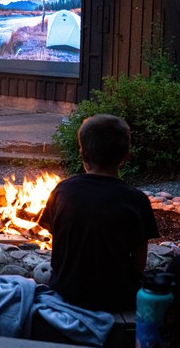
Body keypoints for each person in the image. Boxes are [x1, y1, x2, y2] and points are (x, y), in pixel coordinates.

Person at [38, 114, 159, 312]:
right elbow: (139, 264)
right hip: (118, 299)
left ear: (83, 154)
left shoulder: (62, 191)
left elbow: (56, 236)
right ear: (127, 155)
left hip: (65, 293)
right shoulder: (136, 200)